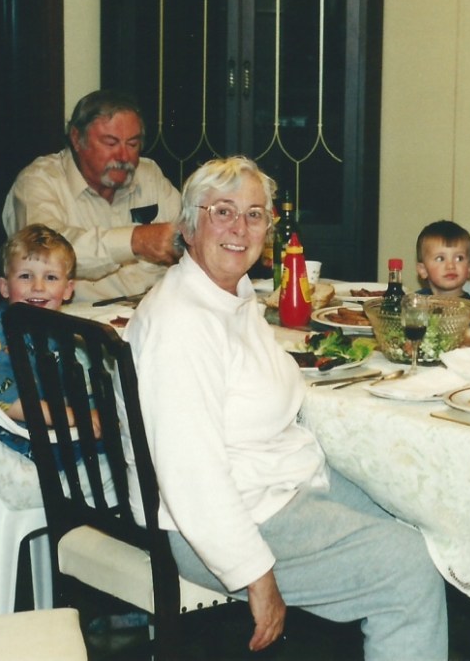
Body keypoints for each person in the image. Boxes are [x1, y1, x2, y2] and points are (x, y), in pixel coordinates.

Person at [122, 156, 448, 657]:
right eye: (222, 211)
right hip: (225, 525)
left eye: (255, 215)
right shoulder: (182, 322)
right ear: (188, 226)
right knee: (408, 568)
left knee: (415, 517)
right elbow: (191, 476)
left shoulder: (231, 294)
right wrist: (255, 574)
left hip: (275, 486)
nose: (240, 227)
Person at [2, 89, 182, 302]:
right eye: (110, 143)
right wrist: (135, 241)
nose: (123, 156)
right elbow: (45, 257)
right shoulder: (39, 181)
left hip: (154, 309)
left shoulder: (149, 175)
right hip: (77, 318)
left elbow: (189, 235)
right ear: (77, 139)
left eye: (132, 144)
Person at [0, 225, 76, 457]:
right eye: (25, 276)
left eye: (50, 277)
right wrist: (69, 416)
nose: (38, 287)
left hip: (37, 435)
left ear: (68, 289)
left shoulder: (57, 331)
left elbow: (65, 387)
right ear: (5, 287)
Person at [415, 220, 470, 300]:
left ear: (469, 268)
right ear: (423, 270)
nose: (451, 266)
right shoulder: (416, 302)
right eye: (440, 258)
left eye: (459, 258)